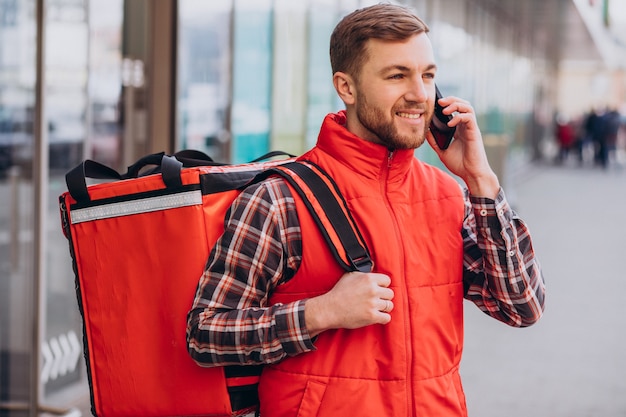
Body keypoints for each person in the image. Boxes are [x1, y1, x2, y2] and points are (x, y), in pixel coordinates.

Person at [187, 4, 545, 417]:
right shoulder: (281, 199)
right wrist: (319, 313)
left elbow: (521, 307)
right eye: (397, 75)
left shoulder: (451, 195)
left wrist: (481, 180)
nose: (420, 94)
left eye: (428, 75)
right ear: (347, 87)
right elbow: (205, 333)